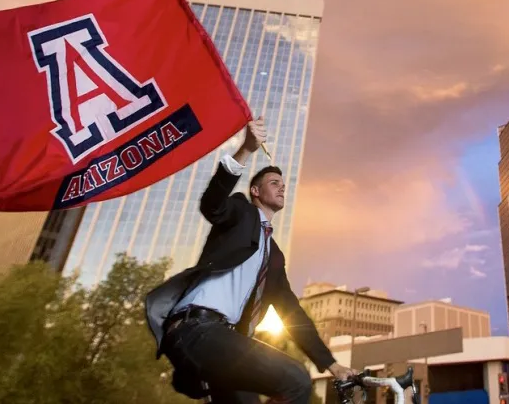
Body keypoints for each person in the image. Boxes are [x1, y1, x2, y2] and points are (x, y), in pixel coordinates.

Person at [145, 116, 354, 403]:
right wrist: (247, 149)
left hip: (226, 341)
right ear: (255, 191)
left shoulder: (274, 257)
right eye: (273, 182)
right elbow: (212, 203)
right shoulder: (240, 212)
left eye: (283, 184)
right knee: (296, 380)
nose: (282, 188)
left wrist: (332, 365)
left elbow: (293, 314)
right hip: (195, 329)